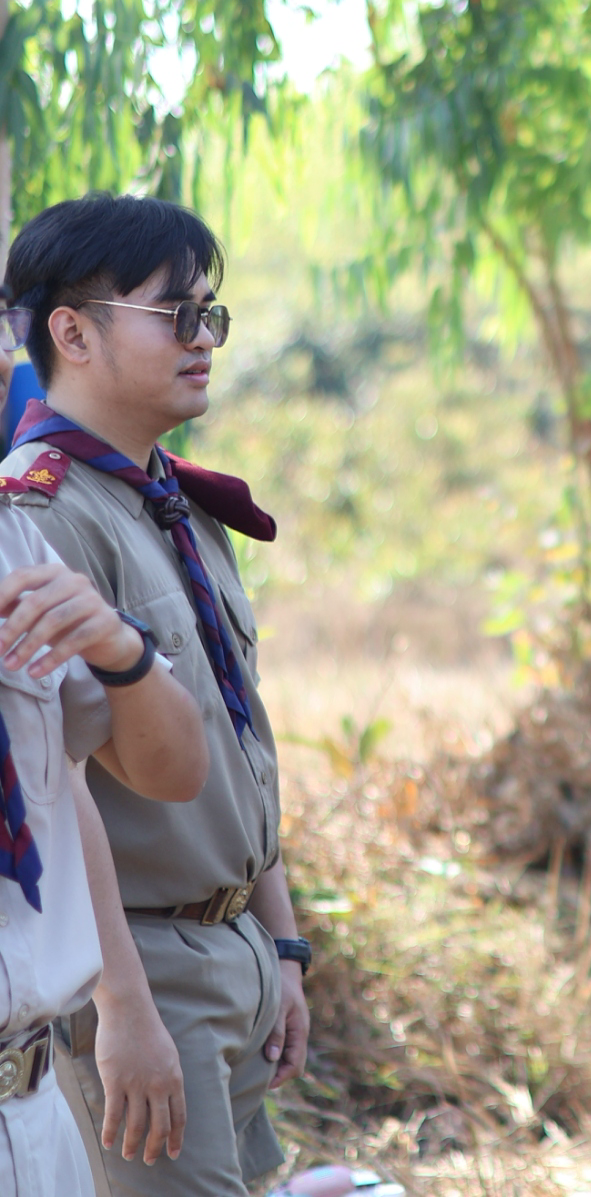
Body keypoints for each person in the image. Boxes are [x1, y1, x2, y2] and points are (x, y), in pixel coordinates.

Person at [0, 195, 310, 1197]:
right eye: (176, 314)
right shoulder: (41, 515)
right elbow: (61, 783)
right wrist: (123, 1004)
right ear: (73, 332)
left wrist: (281, 943)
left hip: (232, 948)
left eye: (211, 314)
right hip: (141, 964)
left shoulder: (173, 501)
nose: (203, 338)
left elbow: (241, 733)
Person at [0, 362, 210, 1194]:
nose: (3, 359)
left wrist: (122, 652)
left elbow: (171, 769)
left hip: (34, 1106)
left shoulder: (14, 537)